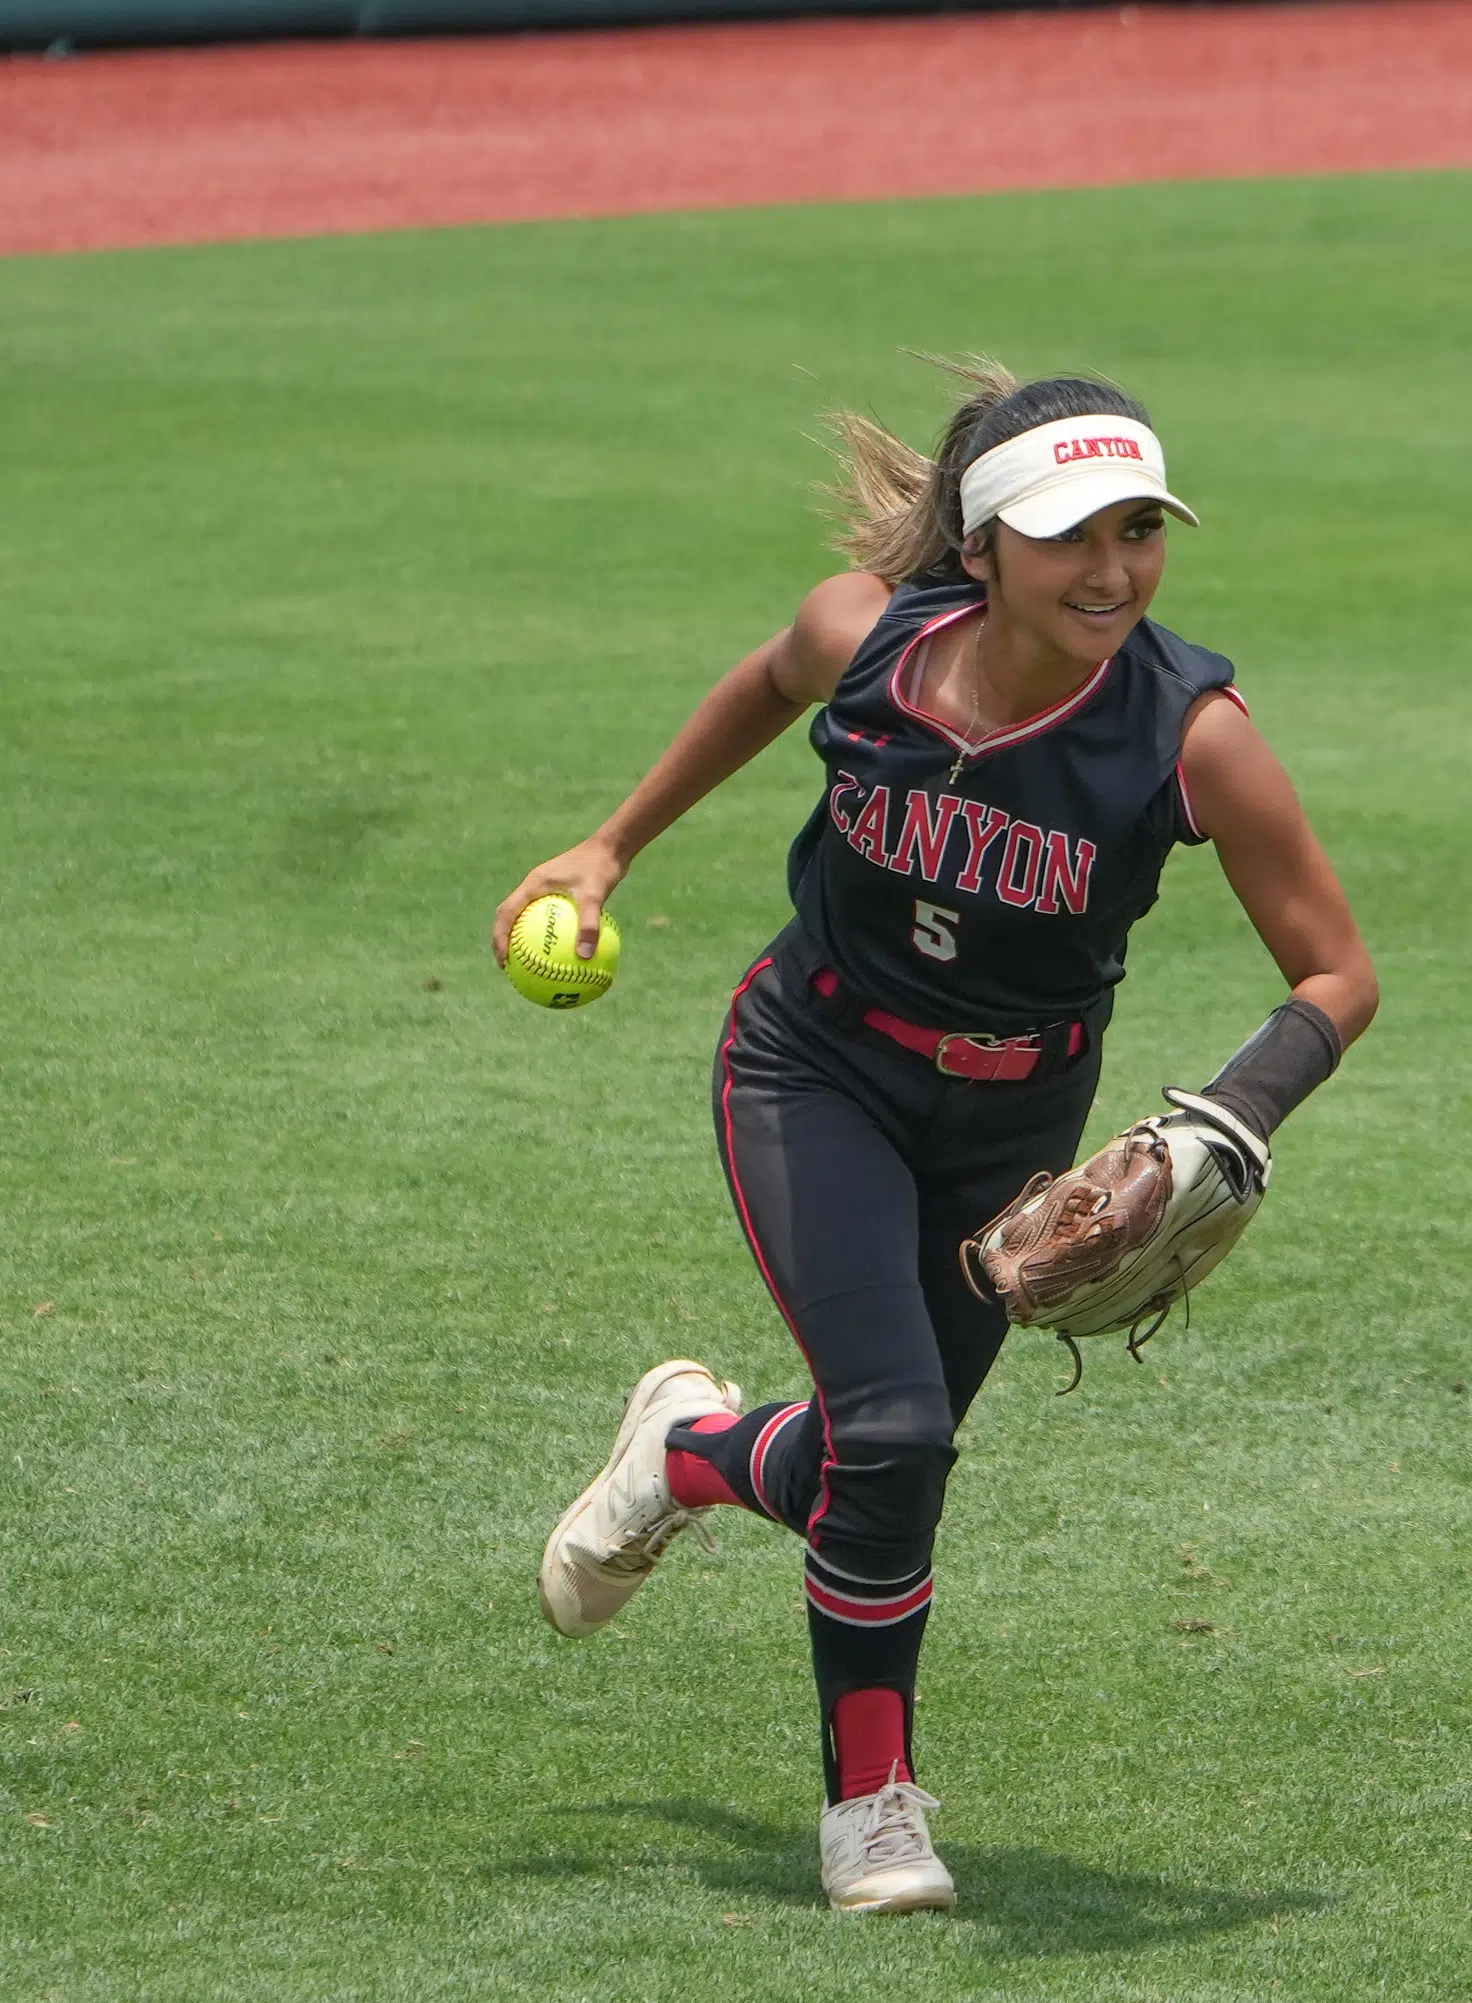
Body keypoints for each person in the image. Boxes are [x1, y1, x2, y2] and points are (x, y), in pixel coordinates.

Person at [492, 358, 1378, 1914]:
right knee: (895, 1444)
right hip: (811, 1068)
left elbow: (1337, 974)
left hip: (1016, 1125)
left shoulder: (1191, 734)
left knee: (875, 1461)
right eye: (1069, 537)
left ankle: (686, 1452)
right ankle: (872, 1812)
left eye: (1137, 532)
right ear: (983, 548)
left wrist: (1234, 1119)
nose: (1111, 569)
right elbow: (765, 683)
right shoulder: (866, 636)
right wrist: (610, 842)